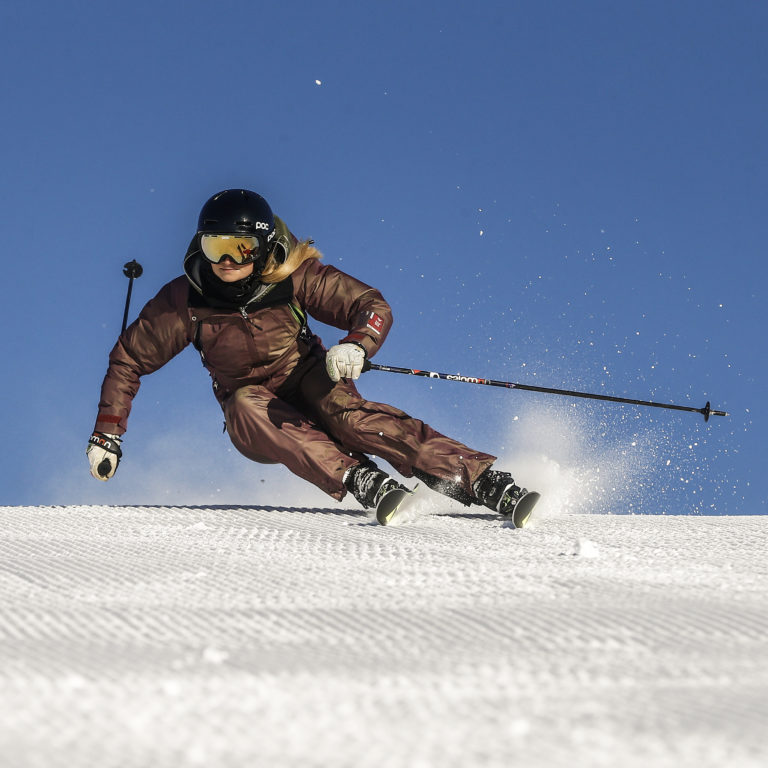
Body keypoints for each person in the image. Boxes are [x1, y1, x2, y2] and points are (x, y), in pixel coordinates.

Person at [87, 189, 536, 521]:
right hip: (252, 406)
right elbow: (129, 359)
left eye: (237, 249)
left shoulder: (294, 276)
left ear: (262, 248)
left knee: (352, 419)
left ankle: (482, 480)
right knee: (246, 404)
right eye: (213, 248)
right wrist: (108, 433)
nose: (225, 262)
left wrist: (357, 344)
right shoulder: (187, 300)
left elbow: (371, 306)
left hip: (308, 374)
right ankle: (358, 477)